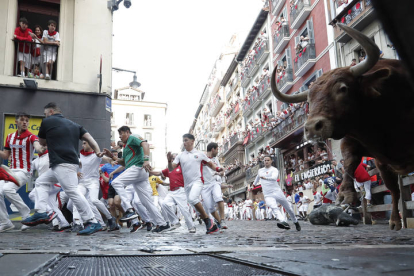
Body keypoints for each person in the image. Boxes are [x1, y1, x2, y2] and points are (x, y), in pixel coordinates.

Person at [21, 103, 102, 235]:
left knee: (72, 192)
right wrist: (97, 151)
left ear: (51, 112)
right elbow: (89, 138)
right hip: (63, 165)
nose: (45, 116)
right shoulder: (75, 125)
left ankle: (92, 221)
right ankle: (41, 212)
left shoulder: (47, 121)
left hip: (63, 163)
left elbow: (42, 143)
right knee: (41, 182)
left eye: (45, 113)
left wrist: (50, 139)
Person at [102, 126, 169, 233]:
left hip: (138, 168)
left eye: (121, 134)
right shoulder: (126, 147)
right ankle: (162, 223)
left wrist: (146, 159)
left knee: (116, 182)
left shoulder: (133, 137)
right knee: (145, 201)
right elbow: (124, 162)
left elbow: (145, 144)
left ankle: (129, 210)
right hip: (139, 174)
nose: (119, 136)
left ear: (127, 132)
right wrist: (111, 156)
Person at [0, 112, 47, 232]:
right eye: (22, 120)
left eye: (27, 120)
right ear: (16, 122)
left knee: (7, 189)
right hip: (10, 171)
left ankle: (26, 216)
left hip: (24, 171)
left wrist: (41, 148)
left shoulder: (31, 137)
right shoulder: (10, 137)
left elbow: (37, 147)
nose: (25, 122)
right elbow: (5, 155)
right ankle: (5, 222)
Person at [171, 134, 223, 234]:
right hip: (187, 185)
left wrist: (217, 169)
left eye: (186, 140)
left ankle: (208, 221)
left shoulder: (199, 154)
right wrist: (169, 161)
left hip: (198, 181)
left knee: (192, 198)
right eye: (183, 140)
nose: (184, 142)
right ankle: (212, 226)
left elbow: (210, 164)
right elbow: (171, 168)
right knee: (195, 205)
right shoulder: (180, 155)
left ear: (192, 141)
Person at [76, 140, 117, 231]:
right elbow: (75, 164)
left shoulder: (97, 155)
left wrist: (111, 160)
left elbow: (106, 159)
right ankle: (79, 223)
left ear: (91, 145)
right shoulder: (81, 155)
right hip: (82, 183)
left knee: (94, 200)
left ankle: (110, 218)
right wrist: (76, 172)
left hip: (93, 182)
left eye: (84, 143)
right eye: (82, 143)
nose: (82, 145)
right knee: (77, 198)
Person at [150, 152, 196, 233]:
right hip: (172, 192)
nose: (173, 160)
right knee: (164, 204)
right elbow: (158, 173)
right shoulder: (169, 169)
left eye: (174, 158)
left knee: (184, 209)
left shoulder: (182, 167)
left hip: (181, 191)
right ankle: (175, 222)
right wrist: (149, 171)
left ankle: (191, 227)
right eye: (172, 158)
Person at [253, 156, 300, 231]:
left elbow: (274, 178)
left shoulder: (274, 169)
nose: (266, 161)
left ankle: (295, 221)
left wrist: (265, 178)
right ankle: (283, 221)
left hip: (277, 192)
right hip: (267, 194)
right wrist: (254, 184)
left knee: (289, 208)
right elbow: (257, 178)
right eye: (265, 160)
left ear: (271, 161)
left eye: (268, 160)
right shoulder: (260, 170)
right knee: (273, 207)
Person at [200, 142, 230, 229]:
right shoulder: (202, 158)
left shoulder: (215, 159)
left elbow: (221, 171)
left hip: (214, 183)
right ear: (213, 149)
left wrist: (220, 172)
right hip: (204, 186)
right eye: (217, 149)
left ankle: (223, 220)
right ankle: (219, 221)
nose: (218, 151)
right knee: (210, 208)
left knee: (218, 197)